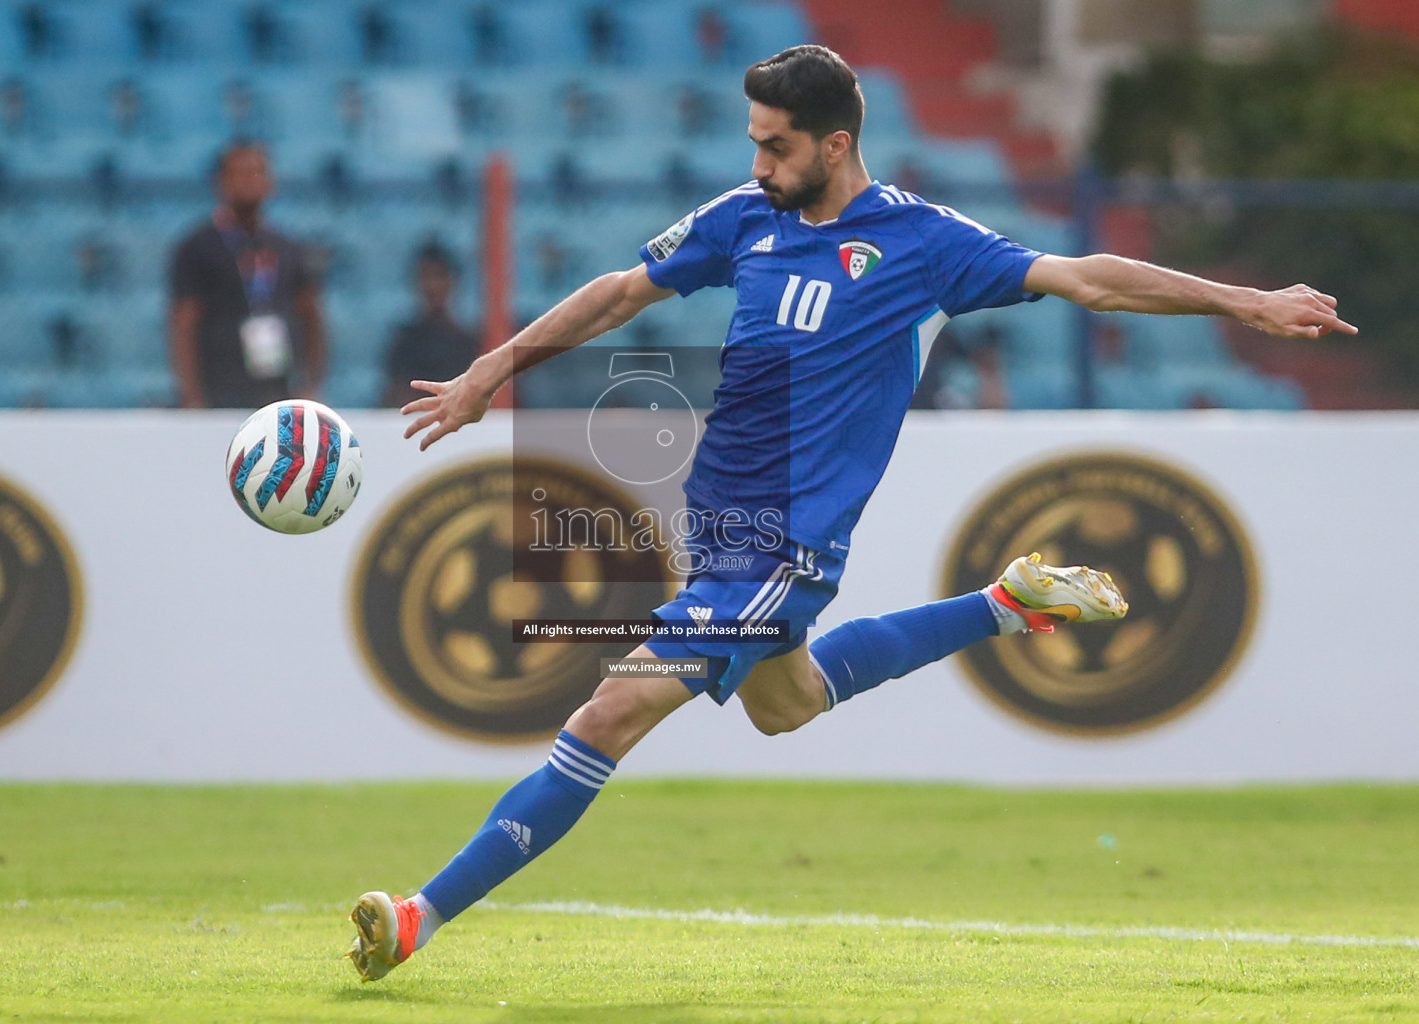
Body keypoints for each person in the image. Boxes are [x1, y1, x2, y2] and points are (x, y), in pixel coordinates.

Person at [345, 45, 1357, 980]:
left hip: (786, 545)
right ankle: (1003, 604)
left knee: (608, 712)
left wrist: (1247, 302)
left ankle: (418, 915)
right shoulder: (746, 215)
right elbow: (619, 293)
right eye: (752, 138)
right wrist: (494, 366)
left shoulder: (924, 244)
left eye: (776, 143)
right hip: (721, 534)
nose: (758, 157)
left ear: (836, 144)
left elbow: (1088, 277)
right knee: (787, 705)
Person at [168, 141, 326, 409]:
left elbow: (311, 315)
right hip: (218, 387)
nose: (247, 182)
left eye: (256, 173)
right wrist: (191, 394)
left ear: (270, 181)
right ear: (219, 181)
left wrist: (311, 384)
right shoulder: (197, 248)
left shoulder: (289, 248)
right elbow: (184, 322)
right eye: (238, 173)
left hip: (278, 387)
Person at [381, 241, 481, 409]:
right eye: (425, 276)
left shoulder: (471, 344)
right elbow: (397, 398)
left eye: (439, 275)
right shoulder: (403, 343)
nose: (432, 285)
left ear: (453, 281)